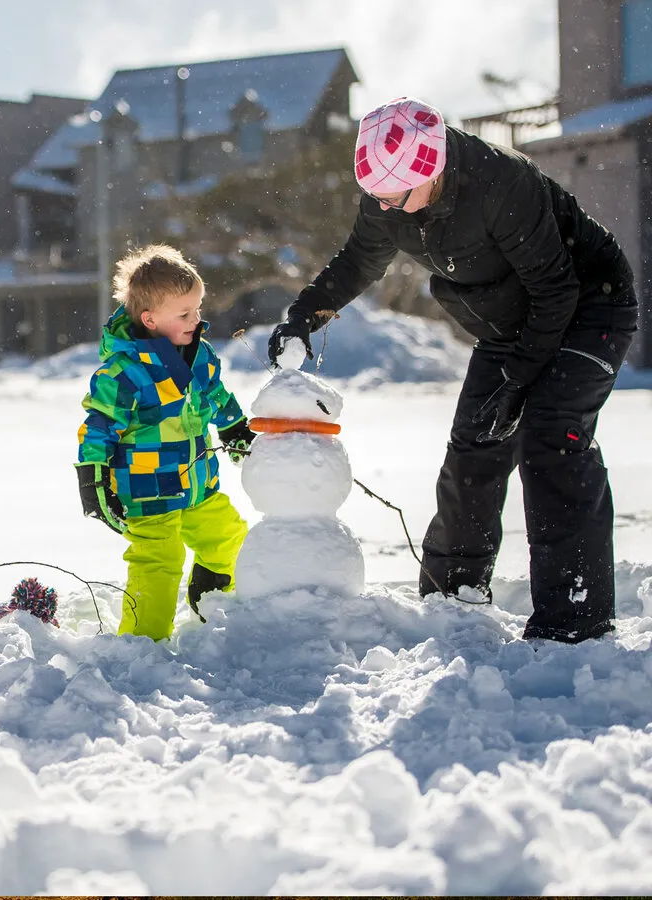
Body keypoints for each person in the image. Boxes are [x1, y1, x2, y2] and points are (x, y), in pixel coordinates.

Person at [268, 97, 638, 643]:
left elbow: (555, 292)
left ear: (432, 169)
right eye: (378, 197)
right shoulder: (386, 199)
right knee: (473, 445)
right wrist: (304, 314)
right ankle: (453, 597)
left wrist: (516, 382)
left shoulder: (501, 185)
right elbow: (358, 262)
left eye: (397, 196)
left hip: (585, 306)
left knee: (551, 437)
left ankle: (574, 620)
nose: (386, 207)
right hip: (510, 320)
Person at [76, 245, 257, 640]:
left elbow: (216, 396)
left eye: (198, 309)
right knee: (160, 561)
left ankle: (209, 598)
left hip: (196, 486)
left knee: (229, 535)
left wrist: (234, 427)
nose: (197, 320)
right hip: (148, 492)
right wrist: (93, 478)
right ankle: (143, 643)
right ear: (150, 319)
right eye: (185, 314)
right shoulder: (124, 372)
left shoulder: (200, 355)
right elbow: (99, 426)